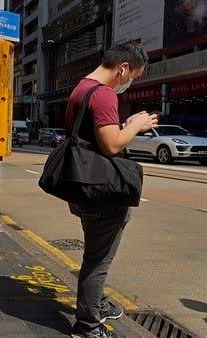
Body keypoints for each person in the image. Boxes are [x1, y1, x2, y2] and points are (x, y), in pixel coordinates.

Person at [64, 41, 158, 338]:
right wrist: (137, 125)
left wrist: (123, 125)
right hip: (102, 193)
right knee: (98, 260)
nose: (130, 84)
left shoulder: (81, 87)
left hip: (85, 186)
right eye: (133, 77)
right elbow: (113, 144)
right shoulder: (103, 95)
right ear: (123, 68)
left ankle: (98, 303)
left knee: (95, 253)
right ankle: (88, 324)